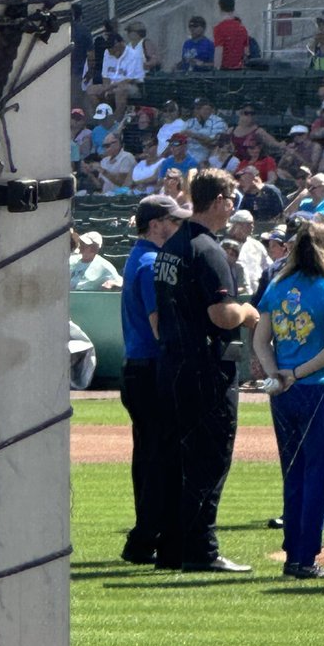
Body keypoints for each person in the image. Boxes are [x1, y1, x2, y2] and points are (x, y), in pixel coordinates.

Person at [153, 168, 260, 572]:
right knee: (210, 458)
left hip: (172, 364)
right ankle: (201, 549)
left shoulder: (172, 245)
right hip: (204, 369)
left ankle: (172, 549)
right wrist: (247, 311)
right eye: (231, 200)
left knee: (175, 461)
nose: (232, 208)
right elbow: (222, 314)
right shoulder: (207, 249)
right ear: (218, 201)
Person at [253, 221, 324, 580]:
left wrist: (277, 374)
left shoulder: (277, 285)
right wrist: (296, 373)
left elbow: (260, 340)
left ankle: (293, 553)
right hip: (321, 387)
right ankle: (306, 557)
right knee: (318, 472)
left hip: (284, 392)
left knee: (293, 471)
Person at [119, 194, 191, 564]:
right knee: (159, 458)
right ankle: (146, 536)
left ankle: (146, 536)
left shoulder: (140, 257)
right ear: (154, 224)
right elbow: (159, 325)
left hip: (138, 367)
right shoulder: (150, 263)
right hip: (150, 368)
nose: (178, 226)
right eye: (173, 220)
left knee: (148, 456)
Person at [213, 0, 249, 70]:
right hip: (239, 70)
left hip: (225, 70)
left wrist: (216, 69)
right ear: (233, 8)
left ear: (220, 8)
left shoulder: (219, 28)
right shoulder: (242, 28)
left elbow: (219, 51)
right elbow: (246, 52)